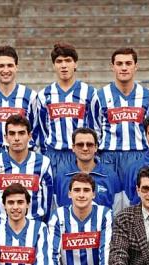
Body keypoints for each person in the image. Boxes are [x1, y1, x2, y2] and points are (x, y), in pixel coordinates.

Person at [91, 47, 149, 180]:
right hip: (109, 157)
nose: (124, 68)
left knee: (137, 199)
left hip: (139, 155)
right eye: (119, 64)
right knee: (110, 200)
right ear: (113, 67)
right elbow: (95, 131)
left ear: (135, 67)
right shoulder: (99, 96)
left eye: (128, 63)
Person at [36, 42, 96, 174]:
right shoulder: (44, 95)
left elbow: (94, 127)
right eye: (59, 61)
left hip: (81, 156)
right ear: (54, 65)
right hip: (54, 156)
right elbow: (41, 130)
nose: (63, 65)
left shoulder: (89, 93)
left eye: (68, 60)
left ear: (75, 64)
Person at [0, 114, 54, 222]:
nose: (16, 138)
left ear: (29, 136)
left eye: (21, 133)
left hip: (34, 226)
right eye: (12, 133)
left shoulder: (43, 162)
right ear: (6, 137)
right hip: (3, 226)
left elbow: (48, 201)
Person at [0, 45, 38, 161]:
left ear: (16, 67)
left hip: (22, 156)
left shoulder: (30, 96)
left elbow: (35, 130)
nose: (5, 70)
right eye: (1, 66)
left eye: (10, 65)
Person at [53, 127, 125, 211]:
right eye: (80, 144)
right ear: (73, 147)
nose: (85, 148)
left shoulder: (111, 176)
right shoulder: (61, 176)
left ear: (96, 147)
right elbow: (55, 209)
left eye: (89, 144)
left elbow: (118, 209)